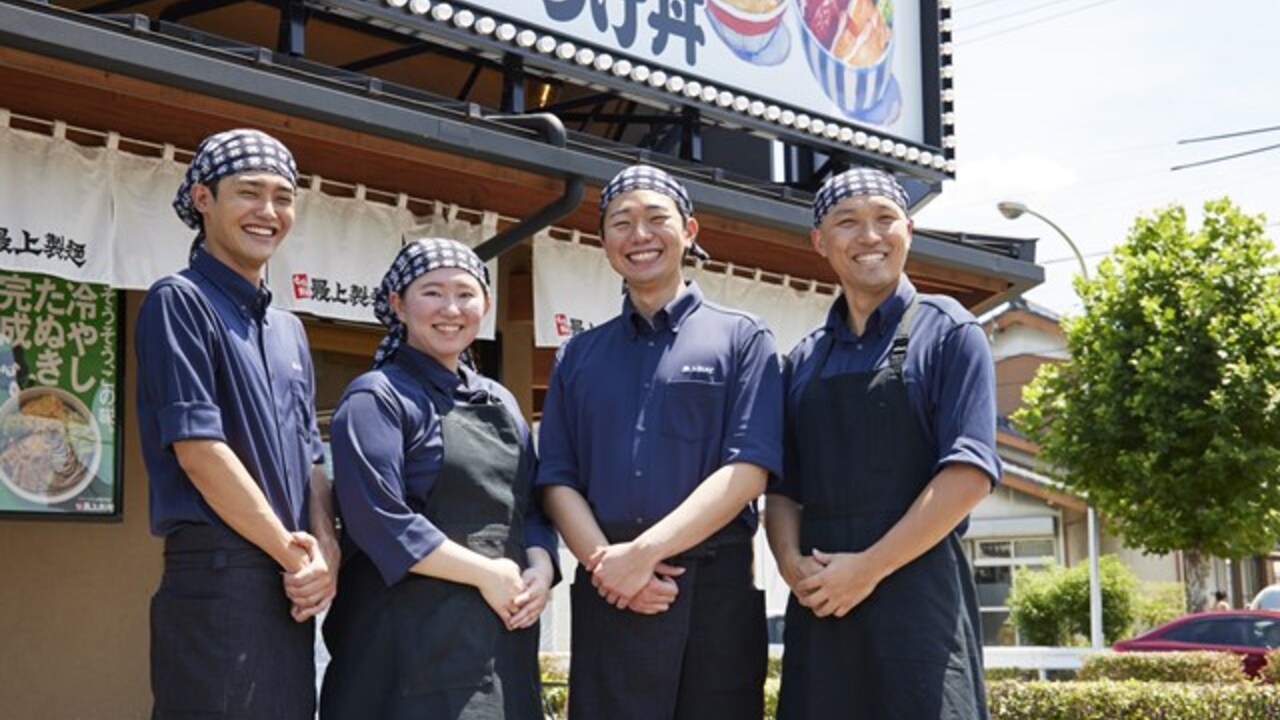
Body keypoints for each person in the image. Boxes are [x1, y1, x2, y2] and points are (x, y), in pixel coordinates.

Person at [537, 165, 784, 720]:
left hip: (715, 587)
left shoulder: (743, 337)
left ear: (689, 230)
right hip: (608, 589)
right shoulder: (578, 354)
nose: (639, 235)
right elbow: (556, 477)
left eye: (656, 219)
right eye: (621, 223)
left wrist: (643, 556)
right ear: (604, 244)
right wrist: (610, 567)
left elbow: (749, 468)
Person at [766, 167, 1000, 719]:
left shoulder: (949, 333)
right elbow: (783, 488)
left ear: (909, 232)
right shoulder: (803, 359)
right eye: (848, 222)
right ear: (820, 242)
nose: (869, 236)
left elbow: (968, 475)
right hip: (823, 607)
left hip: (921, 611)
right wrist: (790, 563)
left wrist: (868, 568)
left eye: (884, 219)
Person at [135, 128, 339, 720]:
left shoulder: (289, 329)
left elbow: (311, 458)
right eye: (249, 193)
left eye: (283, 196)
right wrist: (292, 552)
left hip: (289, 581)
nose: (268, 212)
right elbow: (199, 450)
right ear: (203, 198)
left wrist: (326, 548)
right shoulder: (180, 301)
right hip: (219, 573)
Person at [320, 238, 558, 719]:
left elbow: (530, 508)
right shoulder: (377, 398)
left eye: (465, 294)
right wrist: (488, 573)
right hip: (403, 648)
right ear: (397, 304)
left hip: (498, 641)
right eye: (432, 292)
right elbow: (380, 521)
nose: (451, 308)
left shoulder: (501, 401)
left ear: (485, 306)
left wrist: (541, 570)